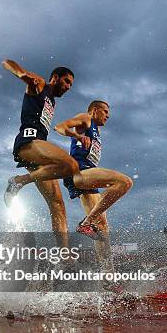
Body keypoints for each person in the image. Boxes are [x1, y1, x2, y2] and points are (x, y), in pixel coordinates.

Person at [1, 60, 77, 246]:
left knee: (58, 205)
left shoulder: (51, 101)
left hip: (39, 151)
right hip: (28, 143)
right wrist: (22, 75)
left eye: (71, 85)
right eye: (66, 81)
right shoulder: (41, 85)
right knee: (71, 165)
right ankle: (19, 181)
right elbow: (8, 63)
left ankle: (65, 258)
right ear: (55, 77)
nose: (68, 87)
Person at [54, 101, 133, 240]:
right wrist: (77, 136)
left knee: (102, 228)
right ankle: (86, 223)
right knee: (125, 182)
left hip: (89, 174)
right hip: (79, 171)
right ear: (95, 110)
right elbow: (59, 127)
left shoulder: (97, 130)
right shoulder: (86, 118)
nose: (108, 116)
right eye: (105, 111)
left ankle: (105, 262)